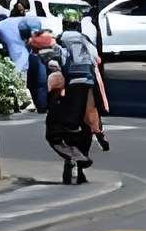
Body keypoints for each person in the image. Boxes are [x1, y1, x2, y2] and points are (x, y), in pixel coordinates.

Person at [36, 24, 105, 183]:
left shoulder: (59, 41)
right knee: (85, 127)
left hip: (66, 91)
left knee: (54, 132)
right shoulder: (86, 41)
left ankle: (74, 157)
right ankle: (80, 169)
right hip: (89, 89)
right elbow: (97, 59)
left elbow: (52, 62)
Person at [0, 0, 46, 110]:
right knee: (34, 84)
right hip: (30, 59)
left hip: (14, 60)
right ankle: (32, 104)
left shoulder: (0, 25)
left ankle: (19, 104)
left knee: (18, 84)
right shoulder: (31, 20)